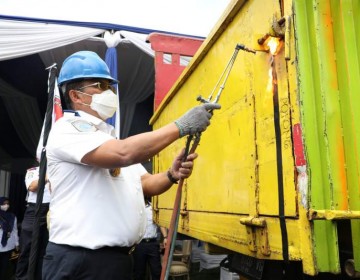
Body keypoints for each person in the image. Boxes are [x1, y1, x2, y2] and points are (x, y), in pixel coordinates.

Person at [42, 50, 220, 280]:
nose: (109, 92)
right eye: (101, 85)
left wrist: (170, 175)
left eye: (110, 86)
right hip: (81, 261)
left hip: (115, 261)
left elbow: (144, 184)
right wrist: (181, 126)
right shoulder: (68, 129)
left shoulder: (106, 138)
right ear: (76, 96)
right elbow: (124, 153)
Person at [16, 166, 51, 280]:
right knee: (27, 247)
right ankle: (22, 277)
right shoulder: (34, 170)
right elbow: (32, 186)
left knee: (46, 249)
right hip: (36, 209)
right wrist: (49, 175)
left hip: (53, 209)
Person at [133, 197, 166, 280]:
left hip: (153, 244)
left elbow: (160, 222)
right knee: (139, 272)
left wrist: (165, 237)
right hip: (139, 244)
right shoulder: (134, 208)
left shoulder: (153, 208)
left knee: (157, 271)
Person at [0, 197, 19, 280]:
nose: (6, 205)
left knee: (4, 267)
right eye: (3, 204)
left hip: (8, 246)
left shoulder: (12, 216)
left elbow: (15, 231)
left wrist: (17, 243)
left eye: (7, 204)